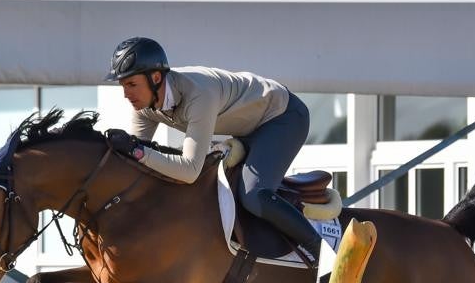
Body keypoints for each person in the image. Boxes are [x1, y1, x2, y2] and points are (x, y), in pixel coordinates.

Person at [104, 36, 321, 263]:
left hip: (283, 117)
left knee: (254, 196)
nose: (126, 94)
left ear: (155, 78)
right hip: (247, 127)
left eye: (131, 84)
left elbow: (189, 170)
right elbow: (136, 161)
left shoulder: (198, 94)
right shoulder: (144, 107)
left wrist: (137, 151)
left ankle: (320, 251)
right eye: (122, 85)